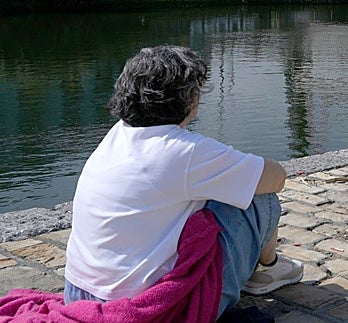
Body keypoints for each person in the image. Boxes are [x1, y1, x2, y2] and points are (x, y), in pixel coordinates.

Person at [63, 45, 303, 319]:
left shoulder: (117, 135)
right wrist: (234, 167)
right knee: (259, 196)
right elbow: (277, 177)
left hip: (78, 294)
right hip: (147, 309)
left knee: (217, 190)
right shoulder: (183, 150)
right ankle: (269, 268)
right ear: (188, 98)